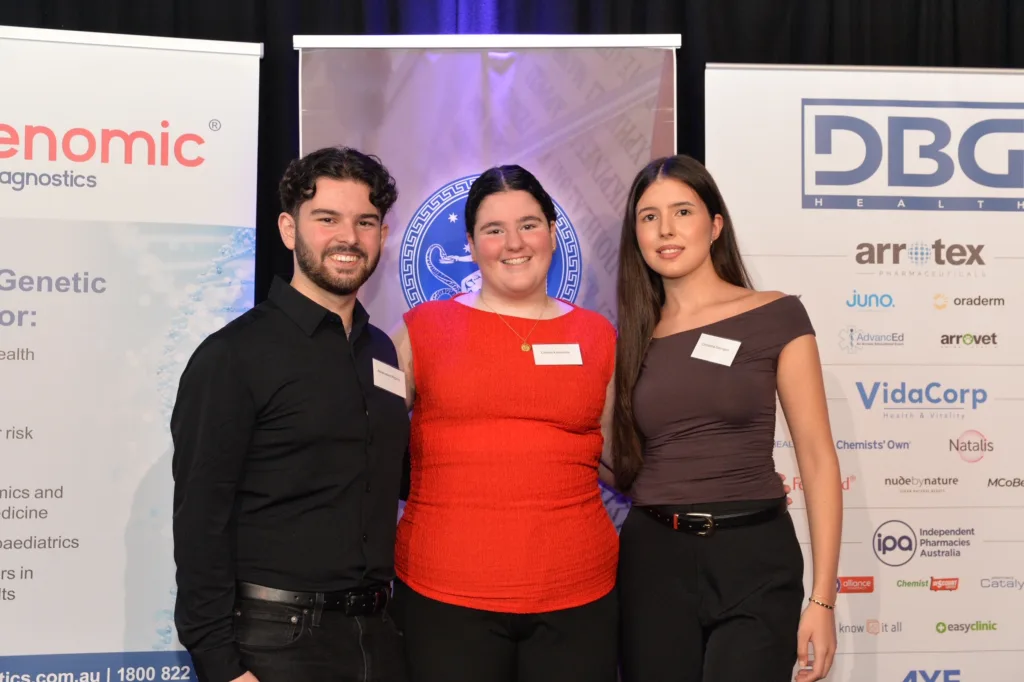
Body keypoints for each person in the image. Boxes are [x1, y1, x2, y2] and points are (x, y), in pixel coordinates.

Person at [170, 146, 410, 682]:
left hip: (378, 635)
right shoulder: (232, 355)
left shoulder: (380, 350)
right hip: (275, 642)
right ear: (288, 229)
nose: (348, 238)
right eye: (327, 219)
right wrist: (221, 666)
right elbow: (201, 520)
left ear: (382, 235)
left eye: (364, 222)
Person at [610, 155, 842, 682]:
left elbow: (817, 459)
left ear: (715, 226)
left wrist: (823, 600)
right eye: (649, 217)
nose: (665, 230)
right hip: (654, 560)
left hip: (754, 557)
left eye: (682, 212)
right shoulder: (630, 341)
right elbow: (609, 455)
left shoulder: (776, 315)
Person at [387, 165, 620, 682]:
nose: (514, 243)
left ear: (553, 234)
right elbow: (362, 442)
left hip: (577, 596)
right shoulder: (422, 330)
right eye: (494, 229)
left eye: (529, 225)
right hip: (444, 597)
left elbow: (620, 462)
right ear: (471, 246)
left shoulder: (597, 335)